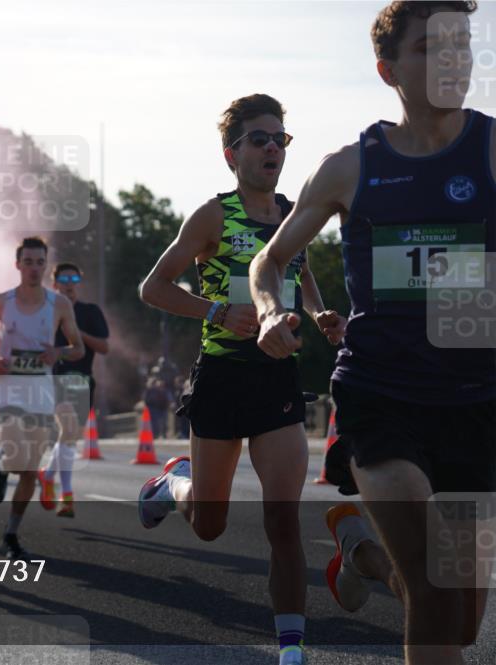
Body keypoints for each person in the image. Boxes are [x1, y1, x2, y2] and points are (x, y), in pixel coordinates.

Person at [249, 4, 493, 663]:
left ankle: (358, 552)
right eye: (431, 47)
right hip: (380, 397)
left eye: (463, 44)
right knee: (433, 591)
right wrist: (270, 312)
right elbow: (269, 259)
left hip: (477, 403)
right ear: (389, 70)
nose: (454, 59)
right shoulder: (349, 168)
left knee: (463, 618)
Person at [136, 94, 343, 665]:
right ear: (231, 154)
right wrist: (215, 311)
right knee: (210, 525)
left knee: (283, 519)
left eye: (280, 139)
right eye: (259, 139)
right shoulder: (213, 216)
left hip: (276, 378)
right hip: (222, 377)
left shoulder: (295, 213)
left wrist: (319, 313)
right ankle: (171, 485)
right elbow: (153, 288)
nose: (273, 148)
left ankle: (291, 649)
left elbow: (298, 272)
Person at [0, 237, 85, 560]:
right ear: (17, 265)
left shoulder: (59, 304)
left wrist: (58, 352)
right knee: (16, 452)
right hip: (10, 391)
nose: (34, 268)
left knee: (28, 472)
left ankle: (11, 534)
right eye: (28, 262)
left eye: (39, 262)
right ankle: (2, 463)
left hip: (41, 393)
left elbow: (78, 348)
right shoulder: (1, 301)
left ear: (45, 266)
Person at [36, 262, 109, 518]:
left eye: (74, 279)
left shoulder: (90, 311)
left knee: (70, 436)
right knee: (67, 429)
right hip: (55, 378)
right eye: (64, 279)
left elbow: (104, 347)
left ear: (79, 282)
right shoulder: (46, 311)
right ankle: (67, 496)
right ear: (54, 283)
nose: (69, 284)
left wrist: (77, 333)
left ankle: (47, 475)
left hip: (83, 380)